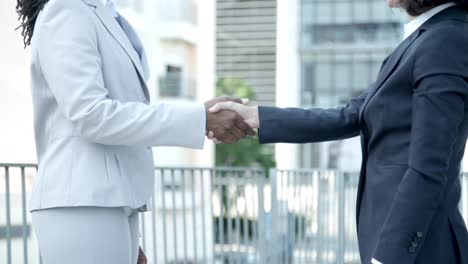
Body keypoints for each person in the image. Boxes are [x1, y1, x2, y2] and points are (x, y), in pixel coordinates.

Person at [210, 0, 468, 263]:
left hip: (419, 248)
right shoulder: (427, 37)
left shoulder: (445, 38)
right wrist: (256, 116)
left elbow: (429, 166)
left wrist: (389, 257)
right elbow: (351, 115)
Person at [16, 0, 255, 263]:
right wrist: (200, 118)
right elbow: (91, 114)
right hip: (82, 203)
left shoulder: (106, 13)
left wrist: (129, 236)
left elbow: (123, 109)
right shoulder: (66, 10)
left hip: (111, 204)